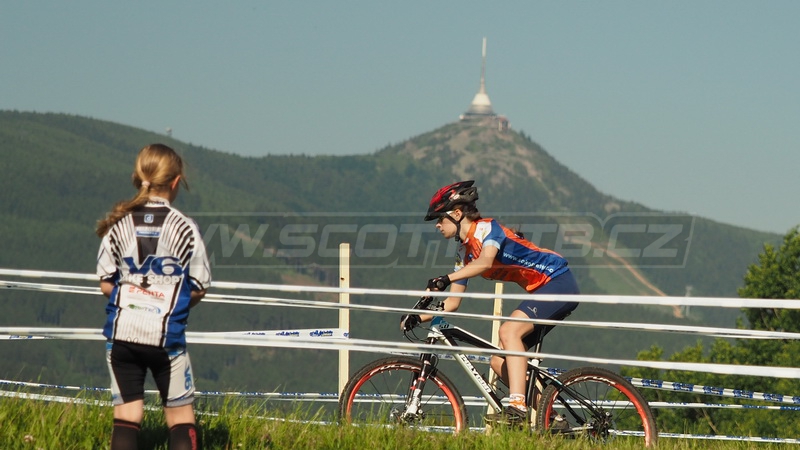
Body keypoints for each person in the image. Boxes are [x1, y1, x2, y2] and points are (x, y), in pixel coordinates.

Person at [401, 180, 580, 425]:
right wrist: (417, 317)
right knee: (498, 362)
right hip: (541, 291)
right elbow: (452, 303)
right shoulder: (463, 252)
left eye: (440, 219)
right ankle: (553, 419)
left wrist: (446, 278)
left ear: (457, 214)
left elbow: (485, 262)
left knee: (509, 331)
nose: (437, 225)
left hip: (558, 281)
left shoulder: (487, 229)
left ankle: (517, 406)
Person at [96, 144, 211, 450]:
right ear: (176, 182)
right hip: (166, 335)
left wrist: (134, 298)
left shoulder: (117, 223)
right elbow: (200, 285)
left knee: (126, 417)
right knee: (181, 419)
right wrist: (173, 303)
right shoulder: (185, 228)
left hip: (122, 333)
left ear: (139, 177)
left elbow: (106, 283)